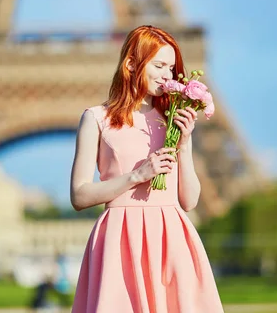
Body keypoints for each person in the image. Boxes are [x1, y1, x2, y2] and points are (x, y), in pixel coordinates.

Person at [70, 25, 225, 312]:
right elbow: (79, 196)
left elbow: (189, 201)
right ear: (131, 64)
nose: (168, 75)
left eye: (172, 67)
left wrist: (185, 143)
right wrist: (138, 175)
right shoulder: (95, 119)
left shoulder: (172, 122)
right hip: (120, 239)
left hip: (171, 236)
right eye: (159, 65)